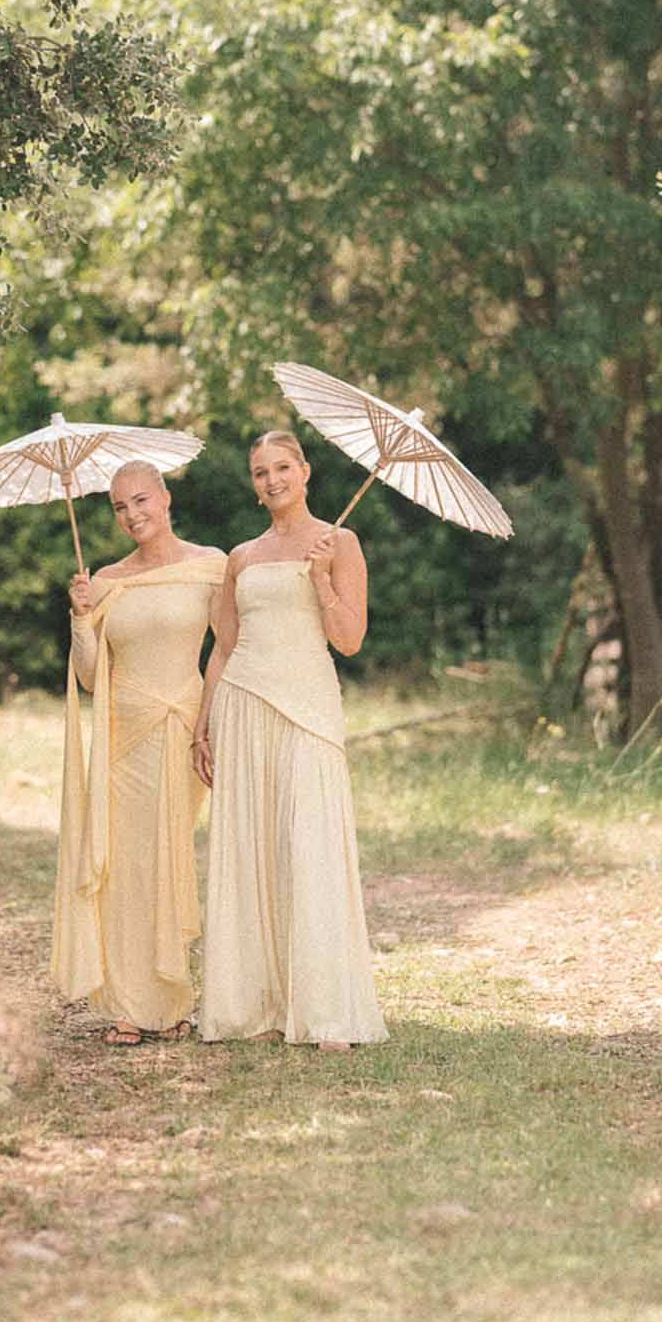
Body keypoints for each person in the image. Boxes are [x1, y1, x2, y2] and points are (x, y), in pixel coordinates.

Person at [191, 430, 387, 1050]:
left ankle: (326, 1011)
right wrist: (204, 722)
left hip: (307, 707)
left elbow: (349, 639)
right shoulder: (241, 557)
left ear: (305, 472)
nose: (272, 479)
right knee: (252, 848)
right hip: (243, 703)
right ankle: (258, 1003)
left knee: (311, 845)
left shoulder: (342, 540)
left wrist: (324, 579)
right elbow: (223, 644)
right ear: (253, 485)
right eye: (259, 472)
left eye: (282, 467)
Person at [51, 461, 225, 1046]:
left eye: (142, 501)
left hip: (180, 729)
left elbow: (226, 650)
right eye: (120, 507)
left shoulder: (210, 567)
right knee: (122, 866)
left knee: (168, 857)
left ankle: (172, 1000)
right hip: (122, 737)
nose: (132, 515)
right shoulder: (106, 582)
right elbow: (93, 677)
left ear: (167, 498)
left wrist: (208, 726)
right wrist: (81, 617)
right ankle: (128, 1007)